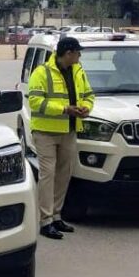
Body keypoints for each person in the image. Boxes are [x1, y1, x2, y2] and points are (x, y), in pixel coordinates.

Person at [27, 37, 95, 239]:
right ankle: (45, 221)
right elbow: (35, 101)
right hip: (45, 132)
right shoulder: (42, 72)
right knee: (48, 175)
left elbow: (90, 95)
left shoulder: (78, 71)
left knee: (64, 175)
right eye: (77, 52)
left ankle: (56, 216)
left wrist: (86, 109)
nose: (80, 56)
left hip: (69, 130)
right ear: (68, 53)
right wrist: (64, 109)